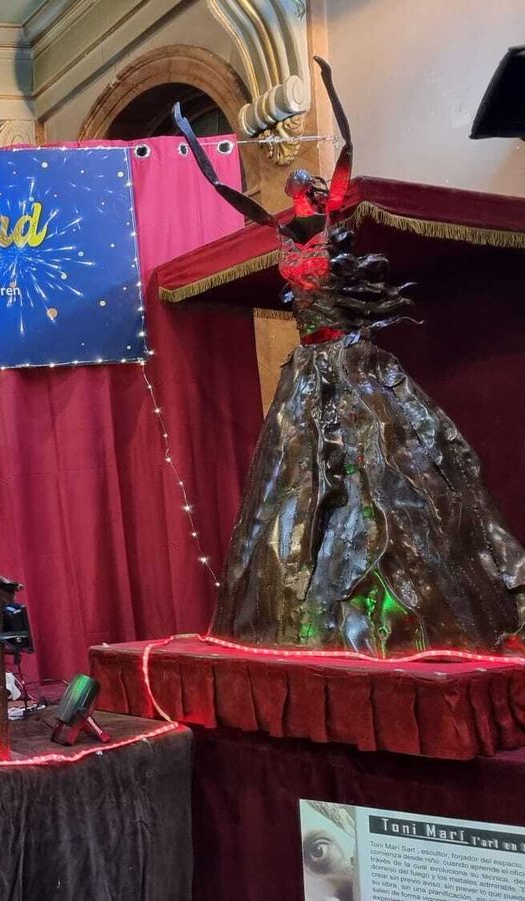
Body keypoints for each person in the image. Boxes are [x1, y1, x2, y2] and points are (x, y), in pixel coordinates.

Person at [176, 57, 525, 654]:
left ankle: (402, 605)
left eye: (305, 189)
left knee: (379, 467)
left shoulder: (332, 224)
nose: (301, 195)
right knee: (296, 481)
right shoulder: (282, 237)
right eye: (297, 192)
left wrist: (333, 87)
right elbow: (224, 190)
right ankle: (302, 612)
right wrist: (191, 140)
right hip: (307, 365)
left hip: (349, 359)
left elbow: (348, 149)